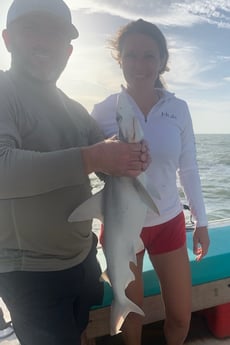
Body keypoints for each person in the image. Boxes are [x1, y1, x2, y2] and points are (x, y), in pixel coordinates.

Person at [0, 1, 150, 344]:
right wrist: (93, 157)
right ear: (7, 39)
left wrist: (130, 158)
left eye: (55, 33)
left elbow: (107, 162)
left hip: (82, 259)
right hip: (31, 275)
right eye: (31, 29)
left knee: (79, 333)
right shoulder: (4, 91)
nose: (44, 41)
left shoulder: (71, 107)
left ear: (68, 51)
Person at [91, 19, 210, 345]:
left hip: (168, 220)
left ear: (162, 60)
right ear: (120, 60)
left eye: (149, 56)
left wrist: (201, 221)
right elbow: (86, 164)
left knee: (181, 316)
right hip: (119, 225)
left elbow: (188, 168)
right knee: (130, 313)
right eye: (131, 56)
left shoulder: (178, 109)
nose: (140, 65)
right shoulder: (102, 111)